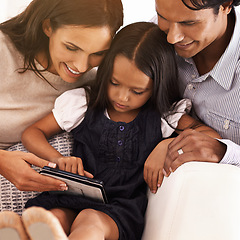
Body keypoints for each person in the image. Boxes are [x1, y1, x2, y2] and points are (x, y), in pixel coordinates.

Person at [0, 22, 219, 240]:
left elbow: (213, 137)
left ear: (156, 86)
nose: (122, 97)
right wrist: (57, 159)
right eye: (114, 83)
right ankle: (23, 233)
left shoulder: (164, 116)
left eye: (137, 91)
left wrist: (167, 146)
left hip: (118, 207)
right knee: (53, 218)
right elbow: (32, 133)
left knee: (90, 222)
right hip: (71, 194)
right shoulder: (84, 103)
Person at [0, 0, 123, 194]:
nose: (82, 66)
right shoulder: (3, 50)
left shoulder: (93, 84)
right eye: (72, 47)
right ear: (48, 26)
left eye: (98, 53)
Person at [150, 0, 240, 180]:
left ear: (226, 5)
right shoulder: (155, 35)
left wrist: (223, 151)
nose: (172, 38)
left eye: (188, 23)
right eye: (163, 17)